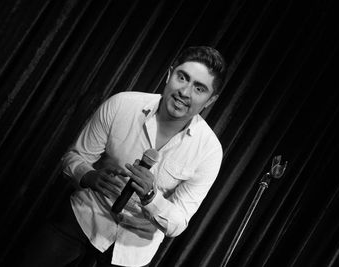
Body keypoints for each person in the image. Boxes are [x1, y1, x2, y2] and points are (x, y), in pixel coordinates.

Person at [21, 46, 227, 267]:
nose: (184, 92)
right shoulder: (122, 104)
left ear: (210, 100)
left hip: (134, 249)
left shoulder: (209, 152)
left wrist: (151, 197)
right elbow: (74, 157)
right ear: (169, 74)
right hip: (85, 215)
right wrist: (91, 177)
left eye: (199, 88)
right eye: (182, 77)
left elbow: (178, 223)